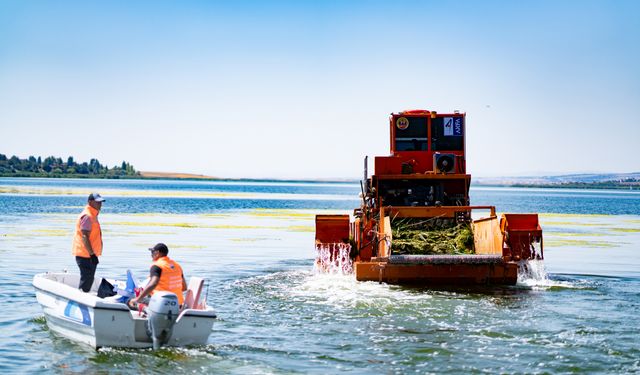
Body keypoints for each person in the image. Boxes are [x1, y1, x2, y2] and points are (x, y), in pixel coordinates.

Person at [129, 243, 187, 309]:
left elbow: (153, 283)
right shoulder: (177, 266)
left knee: (130, 301)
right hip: (177, 304)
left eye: (152, 252)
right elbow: (184, 287)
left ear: (157, 252)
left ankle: (144, 315)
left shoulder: (157, 266)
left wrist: (138, 299)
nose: (151, 255)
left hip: (162, 304)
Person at [72, 192, 105, 292]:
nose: (100, 204)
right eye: (97, 202)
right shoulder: (87, 216)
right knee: (86, 281)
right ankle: (80, 301)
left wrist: (93, 254)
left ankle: (82, 299)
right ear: (90, 202)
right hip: (85, 255)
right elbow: (84, 236)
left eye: (101, 202)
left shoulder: (93, 215)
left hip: (90, 255)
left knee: (89, 279)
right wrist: (92, 254)